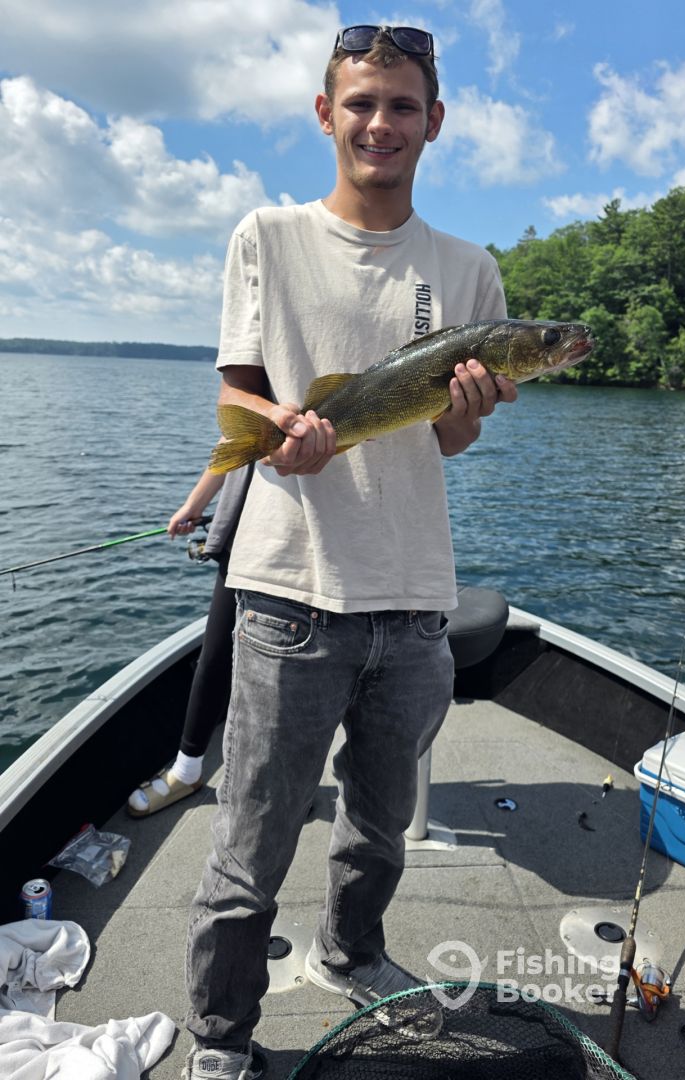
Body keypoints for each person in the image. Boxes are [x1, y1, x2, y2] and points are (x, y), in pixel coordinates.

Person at [182, 25, 518, 1080]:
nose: (381, 123)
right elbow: (237, 388)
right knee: (251, 845)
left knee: (377, 829)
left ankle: (351, 953)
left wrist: (465, 409)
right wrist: (279, 429)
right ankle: (220, 1037)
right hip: (288, 590)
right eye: (361, 103)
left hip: (414, 599)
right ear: (326, 114)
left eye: (402, 105)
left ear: (434, 121)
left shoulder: (469, 270)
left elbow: (450, 441)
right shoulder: (267, 235)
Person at [127, 464, 251, 817]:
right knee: (215, 654)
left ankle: (288, 782)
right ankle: (187, 769)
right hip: (248, 537)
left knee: (293, 674)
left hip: (319, 549)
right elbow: (234, 442)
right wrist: (194, 506)